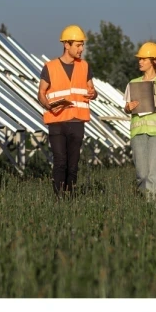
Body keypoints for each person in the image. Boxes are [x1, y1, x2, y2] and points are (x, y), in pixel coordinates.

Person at [37, 25, 97, 195]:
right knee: (60, 161)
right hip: (56, 121)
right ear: (66, 45)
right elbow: (41, 92)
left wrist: (94, 93)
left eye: (82, 45)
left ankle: (70, 197)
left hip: (77, 122)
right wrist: (46, 104)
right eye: (78, 45)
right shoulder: (50, 67)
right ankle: (58, 198)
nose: (82, 49)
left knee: (73, 164)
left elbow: (92, 90)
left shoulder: (85, 66)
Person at [122, 42, 156, 201]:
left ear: (153, 61)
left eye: (143, 59)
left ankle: (150, 207)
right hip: (138, 133)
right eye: (139, 59)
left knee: (153, 173)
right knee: (141, 173)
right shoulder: (133, 83)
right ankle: (143, 200)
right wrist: (128, 107)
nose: (140, 61)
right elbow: (126, 107)